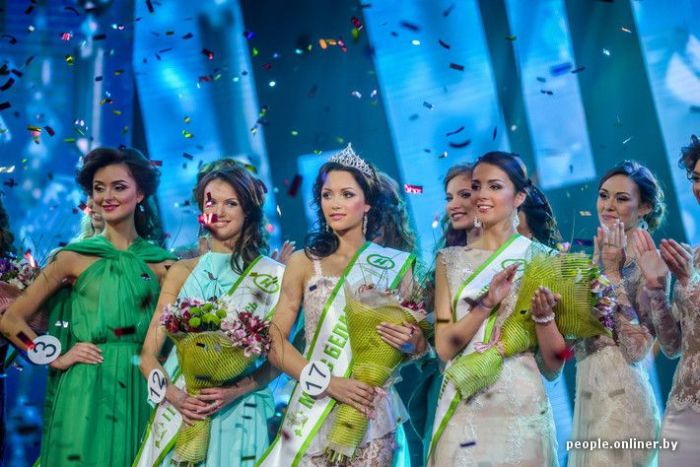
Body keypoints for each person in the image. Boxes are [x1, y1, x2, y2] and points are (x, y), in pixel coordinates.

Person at [0, 147, 176, 466]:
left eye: (118, 187)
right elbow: (11, 320)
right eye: (98, 188)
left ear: (140, 193)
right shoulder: (71, 258)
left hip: (143, 385)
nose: (107, 196)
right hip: (86, 388)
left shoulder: (163, 264)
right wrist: (55, 357)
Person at [259, 144, 425, 466]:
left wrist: (411, 342)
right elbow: (274, 341)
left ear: (368, 202)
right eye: (327, 195)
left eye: (347, 194)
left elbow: (417, 346)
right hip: (314, 405)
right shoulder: (303, 263)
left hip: (369, 409)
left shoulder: (396, 264)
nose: (335, 204)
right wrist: (327, 382)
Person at [135, 160, 285, 466]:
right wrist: (176, 397)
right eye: (211, 202)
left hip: (241, 411)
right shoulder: (181, 271)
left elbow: (280, 359)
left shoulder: (274, 275)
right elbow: (148, 356)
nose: (219, 210)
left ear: (248, 210)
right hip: (182, 409)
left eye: (231, 203)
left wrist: (236, 391)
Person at [429, 151, 566, 466]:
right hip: (463, 402)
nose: (481, 195)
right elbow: (444, 348)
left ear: (519, 196)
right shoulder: (448, 260)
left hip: (520, 408)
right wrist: (487, 302)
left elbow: (554, 365)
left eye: (494, 187)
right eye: (477, 186)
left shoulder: (545, 259)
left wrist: (544, 318)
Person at [568, 160, 663, 466]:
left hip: (623, 406)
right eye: (603, 195)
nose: (608, 205)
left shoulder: (649, 260)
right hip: (590, 396)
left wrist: (611, 272)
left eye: (621, 199)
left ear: (644, 207)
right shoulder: (597, 253)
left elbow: (637, 349)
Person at [631, 137, 700, 465]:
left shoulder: (690, 267)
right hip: (684, 406)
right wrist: (657, 290)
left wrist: (689, 282)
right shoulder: (693, 256)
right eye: (696, 178)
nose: (699, 188)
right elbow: (673, 347)